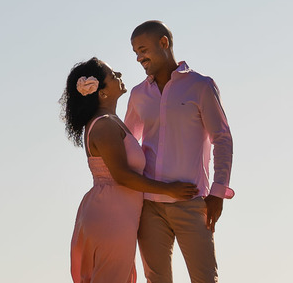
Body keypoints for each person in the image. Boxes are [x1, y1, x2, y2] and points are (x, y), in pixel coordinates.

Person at [62, 58, 199, 283]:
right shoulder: (104, 125)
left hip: (117, 213)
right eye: (112, 74)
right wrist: (169, 189)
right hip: (111, 215)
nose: (119, 73)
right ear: (101, 93)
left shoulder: (111, 121)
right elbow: (122, 175)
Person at [125, 21, 234, 283]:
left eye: (143, 50)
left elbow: (222, 138)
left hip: (193, 201)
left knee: (205, 279)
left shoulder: (201, 86)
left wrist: (217, 193)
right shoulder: (139, 95)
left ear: (164, 43)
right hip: (149, 206)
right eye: (135, 53)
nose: (139, 58)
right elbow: (126, 144)